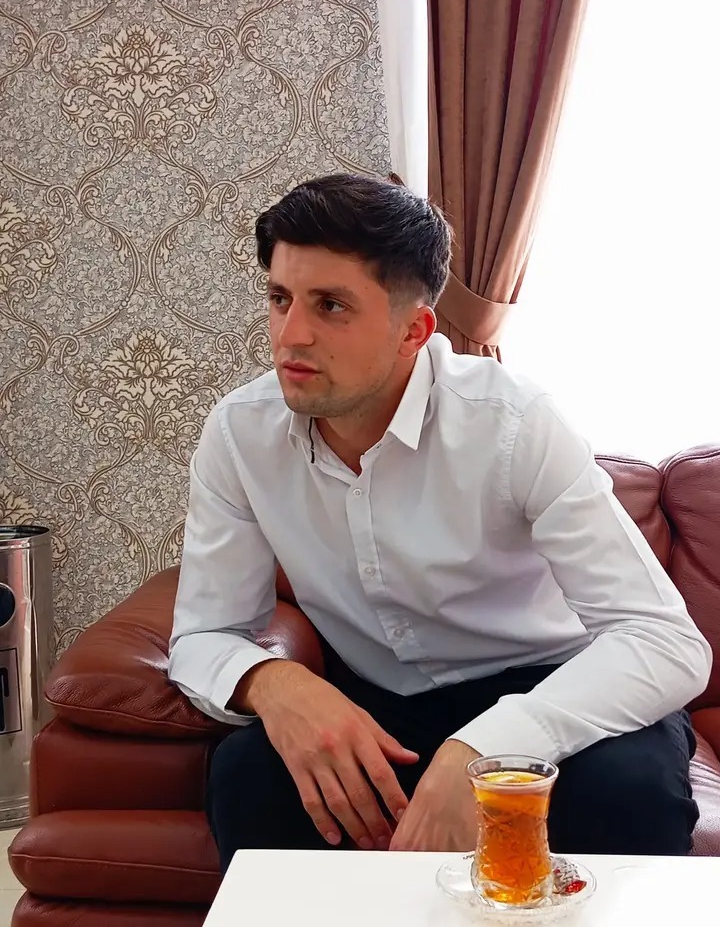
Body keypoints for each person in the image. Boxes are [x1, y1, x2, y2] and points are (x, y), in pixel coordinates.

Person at [169, 174, 711, 873]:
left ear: (414, 331)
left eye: (331, 305)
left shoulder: (513, 423)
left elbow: (666, 642)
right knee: (248, 776)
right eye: (280, 299)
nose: (289, 336)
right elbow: (203, 633)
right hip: (380, 701)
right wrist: (275, 685)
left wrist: (491, 744)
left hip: (555, 685)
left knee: (629, 792)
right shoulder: (240, 433)